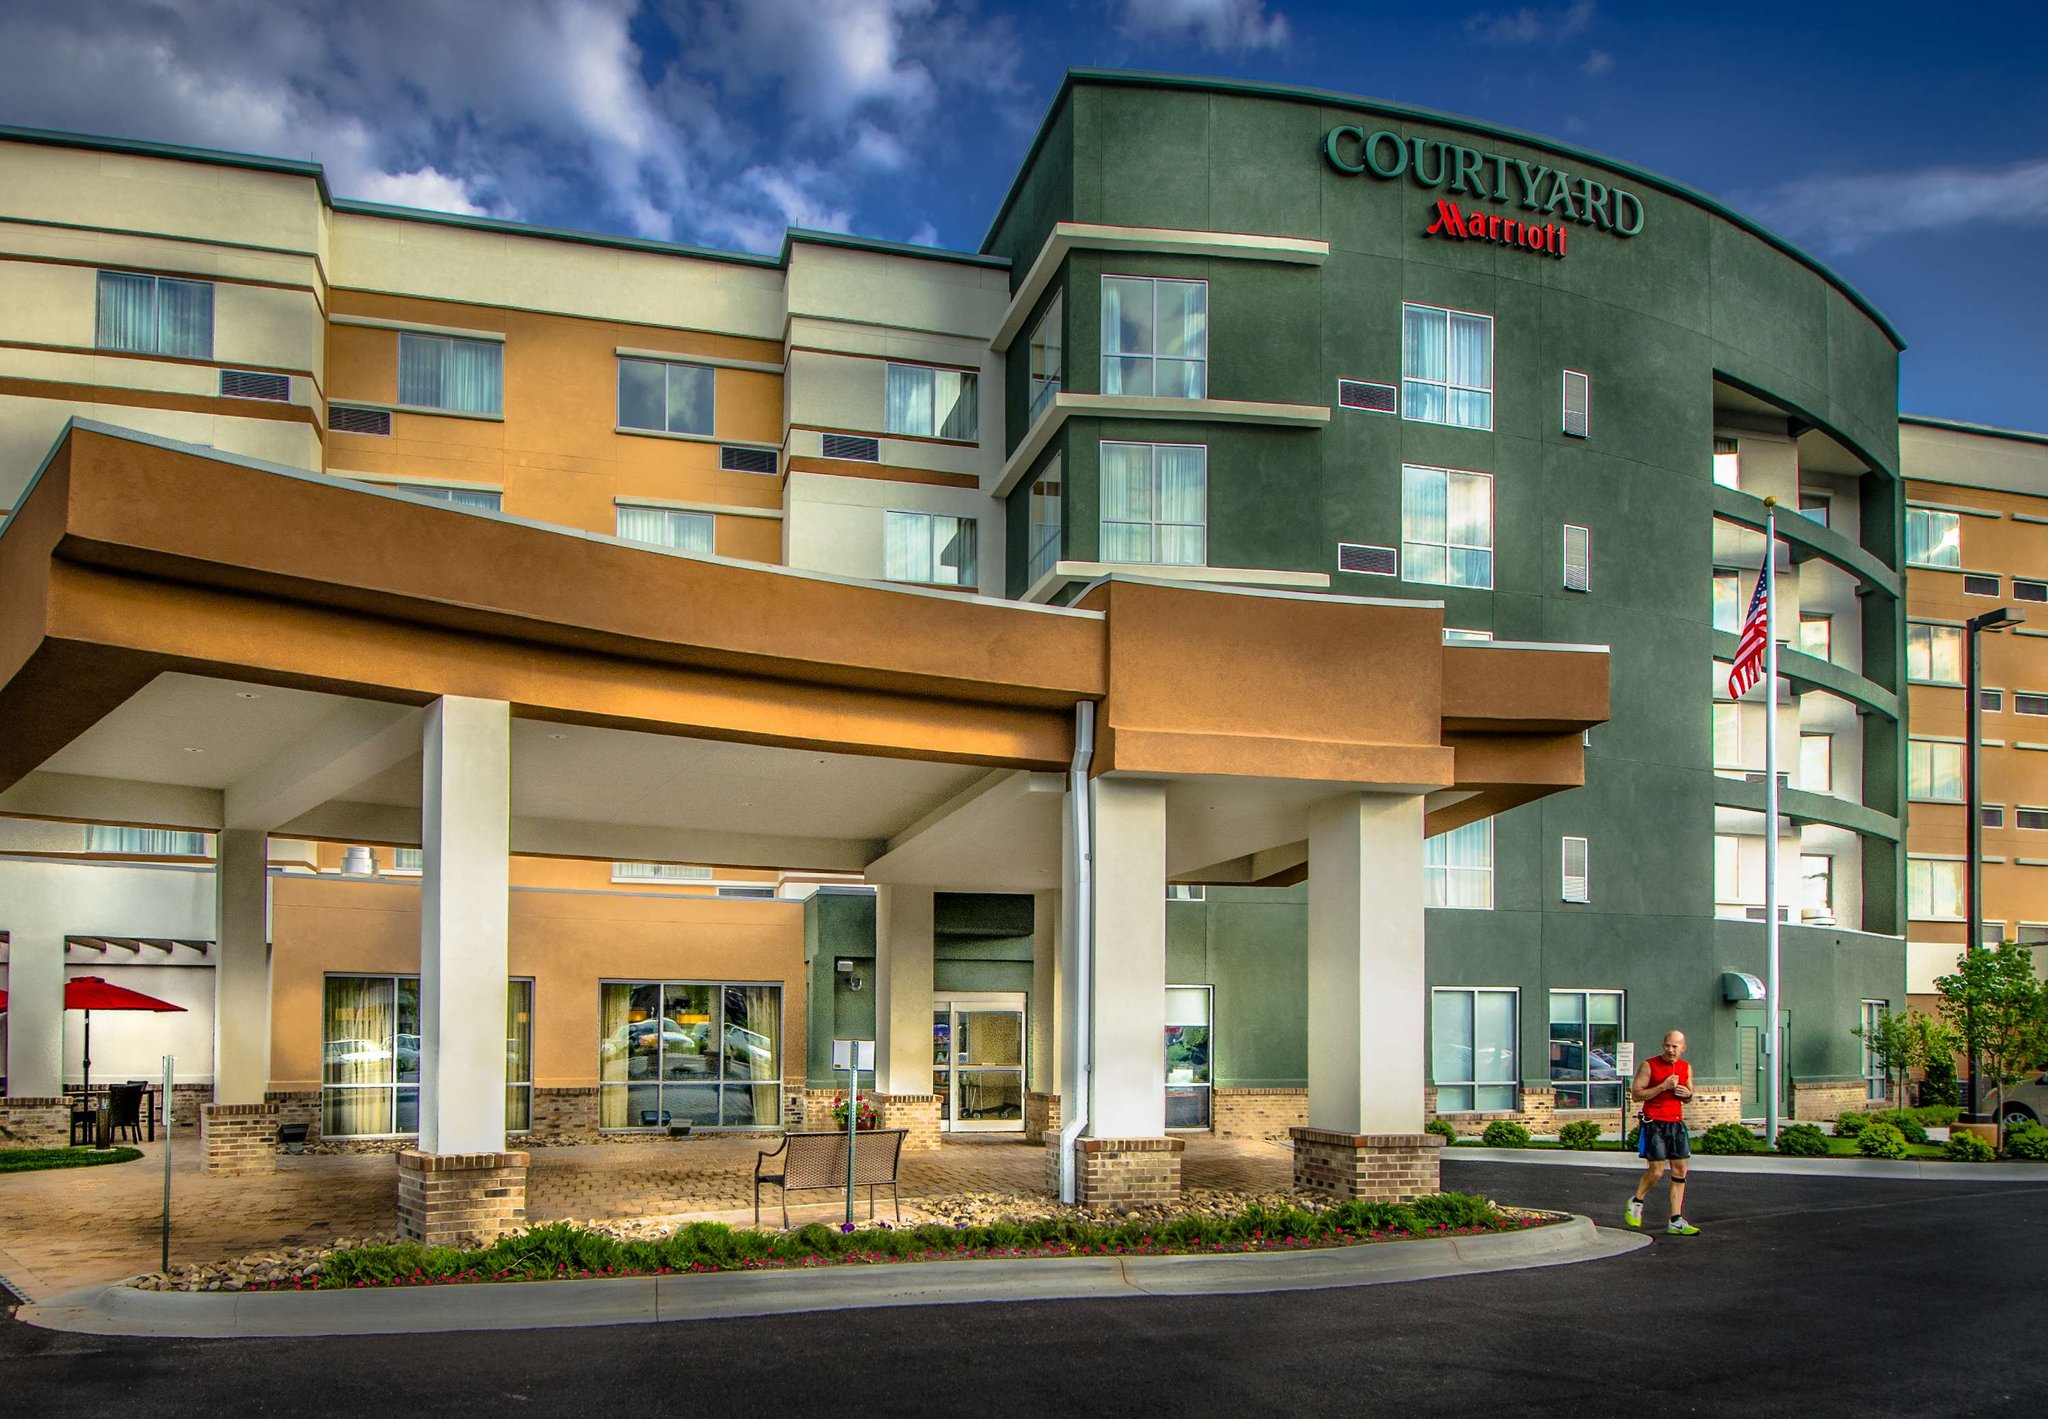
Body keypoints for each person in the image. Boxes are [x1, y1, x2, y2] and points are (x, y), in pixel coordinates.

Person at [1625, 1030, 1701, 1236]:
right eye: (1667, 1045)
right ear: (1663, 1045)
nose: (1671, 1050)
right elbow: (1636, 1095)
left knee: (1680, 1170)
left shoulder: (1686, 1068)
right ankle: (1637, 1200)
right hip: (1654, 1123)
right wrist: (1663, 1086)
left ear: (1682, 1048)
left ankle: (1676, 1220)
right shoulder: (1649, 1065)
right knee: (1657, 1171)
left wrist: (1687, 1094)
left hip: (1675, 1123)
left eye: (1675, 1046)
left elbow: (1689, 1095)